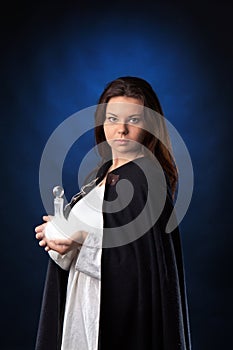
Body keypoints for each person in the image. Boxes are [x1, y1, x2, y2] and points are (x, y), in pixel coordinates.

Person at [35, 76, 192, 350]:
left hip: (119, 321)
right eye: (112, 118)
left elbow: (142, 268)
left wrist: (80, 240)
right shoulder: (101, 176)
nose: (121, 129)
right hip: (82, 305)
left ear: (148, 126)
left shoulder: (146, 180)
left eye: (133, 120)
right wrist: (58, 236)